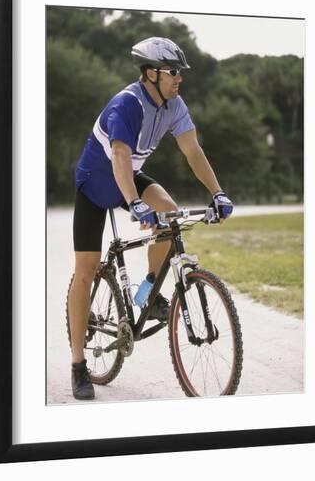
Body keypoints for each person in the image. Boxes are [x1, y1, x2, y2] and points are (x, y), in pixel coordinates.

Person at [67, 37, 233, 399]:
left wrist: (217, 192)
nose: (179, 79)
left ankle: (148, 292)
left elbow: (192, 150)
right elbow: (121, 156)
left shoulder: (174, 105)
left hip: (129, 177)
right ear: (151, 73)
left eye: (179, 73)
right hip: (97, 183)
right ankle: (79, 364)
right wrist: (134, 202)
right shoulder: (126, 104)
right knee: (86, 271)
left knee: (170, 215)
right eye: (174, 72)